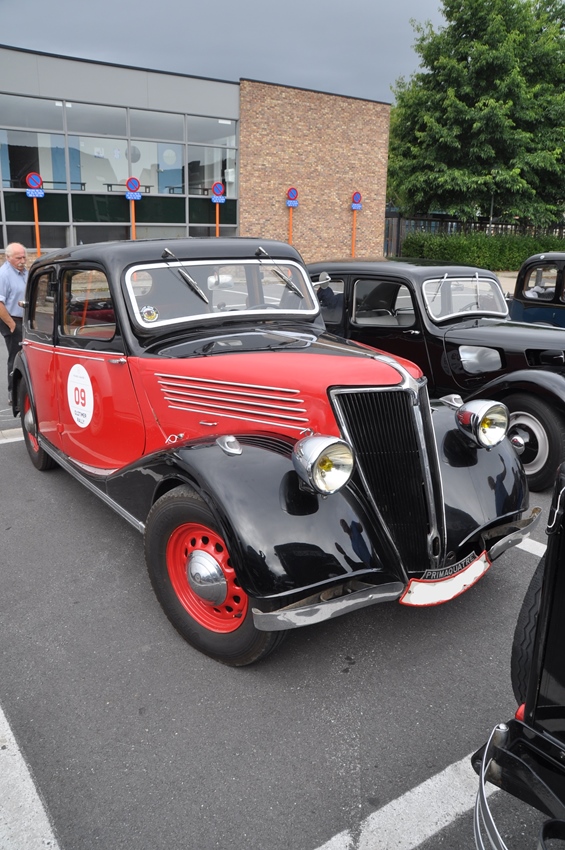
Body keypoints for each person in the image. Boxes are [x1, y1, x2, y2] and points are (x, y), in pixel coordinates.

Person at [0, 243, 28, 404]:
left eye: (24, 257)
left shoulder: (24, 272)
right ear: (8, 257)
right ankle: (14, 392)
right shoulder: (3, 274)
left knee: (28, 354)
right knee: (16, 355)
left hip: (25, 319)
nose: (22, 261)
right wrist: (11, 325)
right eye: (18, 258)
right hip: (11, 319)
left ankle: (26, 387)